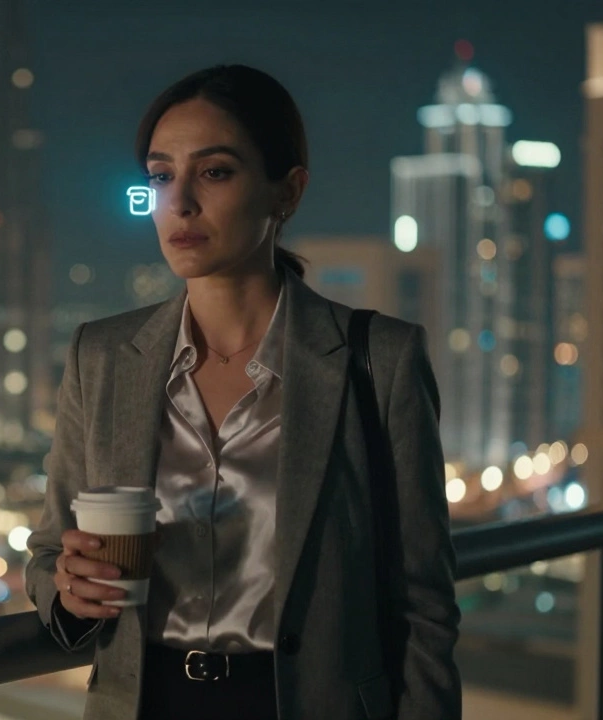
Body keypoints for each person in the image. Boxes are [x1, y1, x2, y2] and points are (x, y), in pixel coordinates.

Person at [25, 64, 461, 720]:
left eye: (216, 171)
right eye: (161, 175)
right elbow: (51, 553)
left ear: (287, 192)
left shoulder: (379, 361)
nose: (181, 202)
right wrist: (69, 593)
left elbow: (424, 610)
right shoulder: (105, 357)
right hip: (146, 702)